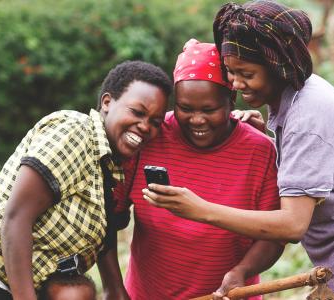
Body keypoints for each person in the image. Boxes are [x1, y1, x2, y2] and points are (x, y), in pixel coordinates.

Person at [143, 2, 334, 299]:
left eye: (246, 73)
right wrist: (271, 142)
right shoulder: (295, 97)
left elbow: (292, 225)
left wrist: (200, 209)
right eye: (231, 72)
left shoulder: (308, 116)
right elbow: (309, 169)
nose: (236, 84)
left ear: (277, 66)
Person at [0, 60, 171, 300]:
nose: (145, 126)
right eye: (137, 112)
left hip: (7, 286)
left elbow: (104, 240)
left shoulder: (109, 167)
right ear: (107, 102)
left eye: (155, 122)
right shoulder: (75, 132)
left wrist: (115, 290)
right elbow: (17, 217)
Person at [100, 39, 284, 300]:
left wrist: (242, 271)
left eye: (210, 110)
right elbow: (108, 218)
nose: (197, 120)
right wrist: (114, 290)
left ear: (231, 99)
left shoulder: (260, 151)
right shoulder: (150, 136)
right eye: (185, 108)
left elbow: (275, 236)